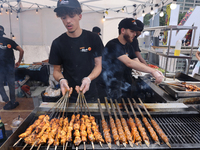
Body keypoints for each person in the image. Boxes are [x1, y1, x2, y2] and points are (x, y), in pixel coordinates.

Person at [49, 0, 103, 102]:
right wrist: (61, 79)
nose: (68, 21)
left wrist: (88, 79)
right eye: (64, 17)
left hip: (90, 93)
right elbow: (56, 71)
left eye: (72, 16)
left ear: (80, 16)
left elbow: (98, 66)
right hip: (68, 95)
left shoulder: (93, 38)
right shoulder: (57, 43)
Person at [99, 18, 164, 100]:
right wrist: (152, 71)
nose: (135, 34)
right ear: (123, 30)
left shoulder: (128, 46)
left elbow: (136, 61)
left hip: (123, 85)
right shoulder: (113, 44)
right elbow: (129, 62)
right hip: (109, 86)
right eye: (132, 31)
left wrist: (152, 71)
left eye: (135, 32)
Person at [0, 25, 24, 110]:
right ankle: (13, 102)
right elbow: (21, 50)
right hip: (10, 67)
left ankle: (7, 102)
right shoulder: (9, 41)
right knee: (11, 84)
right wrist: (19, 61)